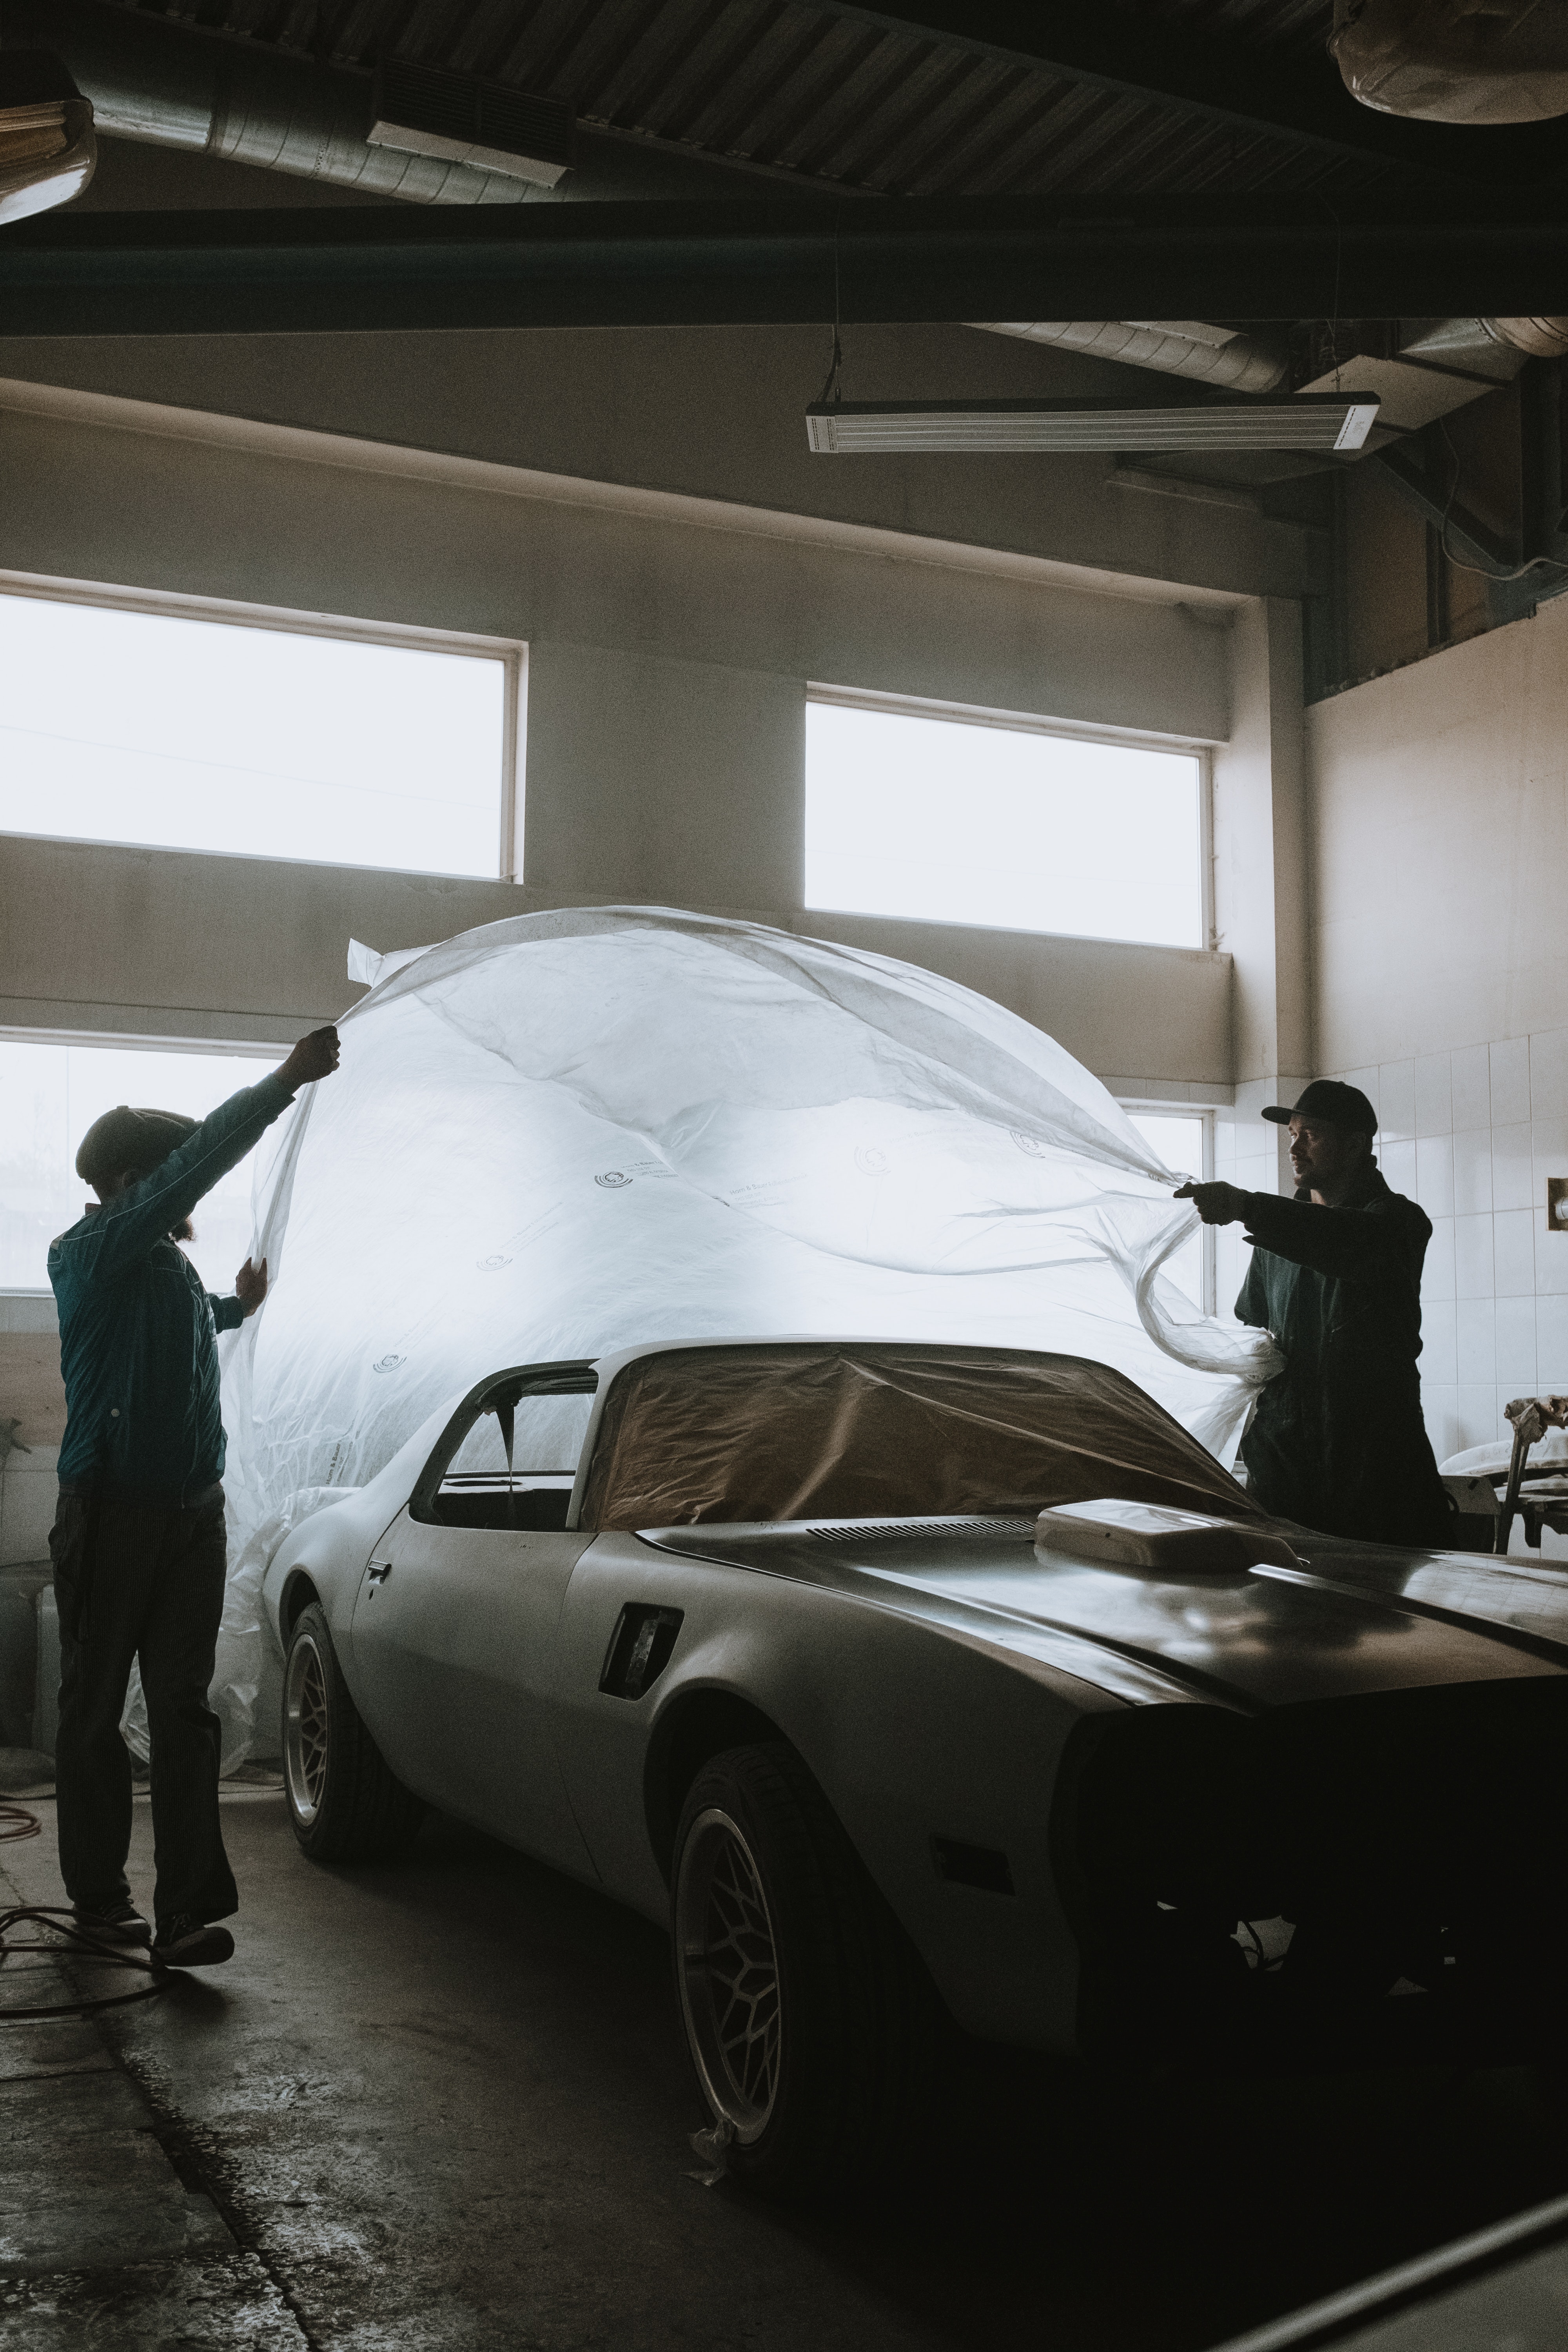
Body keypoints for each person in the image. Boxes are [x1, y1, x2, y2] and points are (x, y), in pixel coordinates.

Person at [47, 1026, 341, 1967]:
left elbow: (179, 1322)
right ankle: (101, 1902)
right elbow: (199, 1162)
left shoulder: (165, 1269)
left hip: (190, 1515)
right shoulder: (88, 1250)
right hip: (110, 1510)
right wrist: (284, 1080)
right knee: (95, 1709)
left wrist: (235, 1309)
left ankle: (184, 1914)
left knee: (183, 1707)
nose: (185, 1194)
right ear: (130, 1181)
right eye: (167, 1177)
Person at [1175, 1078, 1452, 1547]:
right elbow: (1256, 1329)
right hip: (1285, 1466)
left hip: (1373, 1468)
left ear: (1356, 1144)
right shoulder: (1274, 1239)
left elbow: (1345, 1239)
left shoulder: (1397, 1223)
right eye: (1292, 1135)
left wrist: (1245, 1205)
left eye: (1311, 1135)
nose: (1295, 1148)